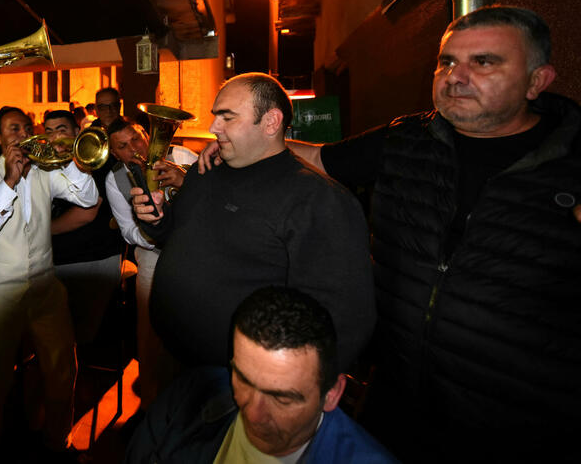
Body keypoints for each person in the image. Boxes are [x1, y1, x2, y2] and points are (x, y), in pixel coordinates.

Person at [272, 6, 581, 459]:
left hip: (519, 428)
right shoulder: (407, 140)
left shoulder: (571, 164)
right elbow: (320, 160)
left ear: (537, 81)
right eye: (447, 62)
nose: (456, 77)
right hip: (395, 407)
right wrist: (239, 142)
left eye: (484, 62)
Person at [133, 73, 376, 375]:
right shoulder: (205, 171)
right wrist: (157, 219)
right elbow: (177, 233)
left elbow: (344, 318)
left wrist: (287, 388)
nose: (213, 128)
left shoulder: (319, 200)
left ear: (271, 122)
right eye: (215, 116)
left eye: (227, 118)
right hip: (175, 360)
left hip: (244, 381)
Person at [125, 286, 397, 464]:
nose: (253, 414)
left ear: (332, 394)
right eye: (243, 379)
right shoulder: (191, 393)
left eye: (281, 398)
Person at [0, 106, 98, 463]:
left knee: (62, 372)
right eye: (14, 128)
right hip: (0, 293)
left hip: (45, 287)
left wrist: (71, 160)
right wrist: (9, 182)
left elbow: (88, 199)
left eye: (27, 127)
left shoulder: (44, 171)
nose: (24, 134)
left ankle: (57, 442)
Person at [102, 117, 195, 409]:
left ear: (145, 134)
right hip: (152, 254)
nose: (133, 148)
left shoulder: (181, 156)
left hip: (194, 251)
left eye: (136, 138)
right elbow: (128, 231)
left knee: (195, 325)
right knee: (151, 331)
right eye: (123, 146)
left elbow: (213, 199)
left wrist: (185, 181)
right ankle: (151, 403)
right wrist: (155, 230)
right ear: (115, 154)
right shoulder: (115, 178)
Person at [44, 109, 122, 346]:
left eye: (61, 130)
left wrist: (39, 231)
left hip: (91, 259)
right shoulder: (49, 161)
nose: (55, 138)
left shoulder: (94, 157)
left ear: (77, 131)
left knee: (78, 338)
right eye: (49, 132)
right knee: (57, 338)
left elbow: (86, 213)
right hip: (60, 260)